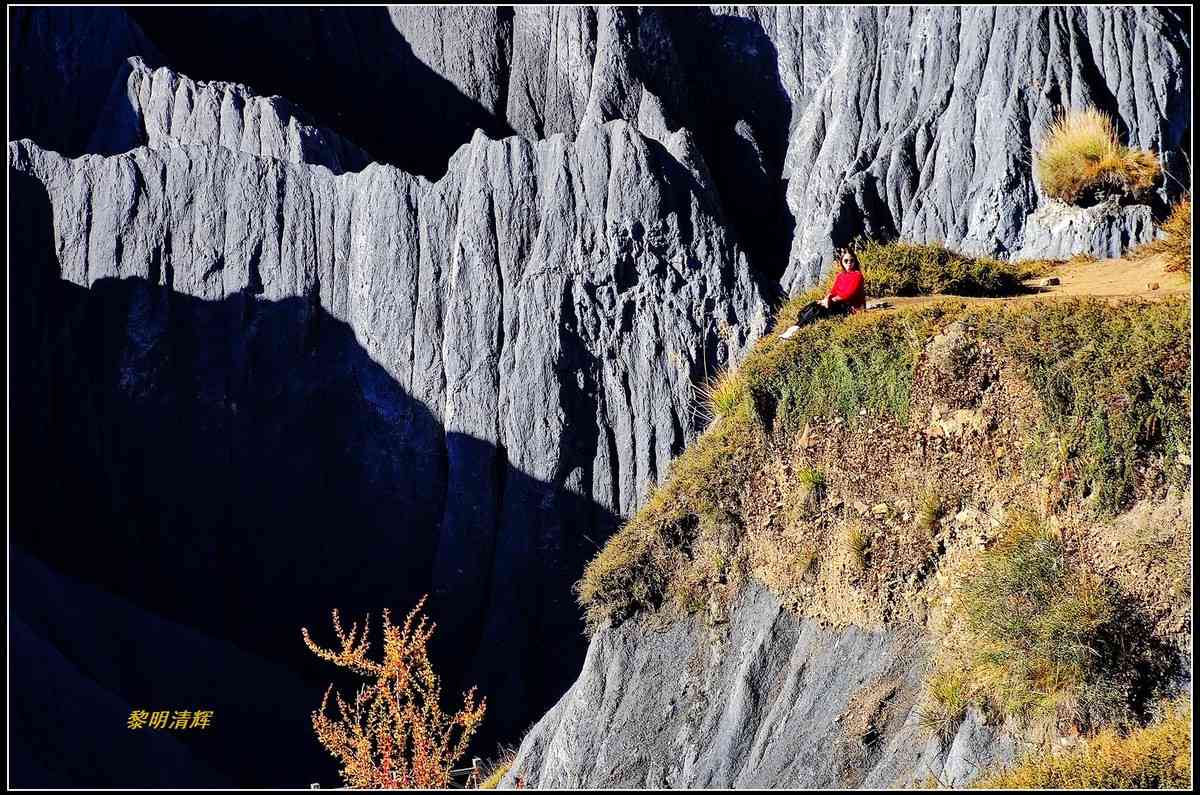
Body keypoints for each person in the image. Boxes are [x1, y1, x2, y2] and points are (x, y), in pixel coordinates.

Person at [779, 248, 867, 338]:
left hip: (850, 307)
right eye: (846, 260)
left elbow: (848, 294)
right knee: (811, 306)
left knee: (817, 309)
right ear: (842, 262)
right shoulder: (840, 275)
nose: (849, 263)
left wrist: (830, 300)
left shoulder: (857, 275)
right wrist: (825, 299)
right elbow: (833, 291)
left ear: (855, 261)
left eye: (852, 260)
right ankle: (796, 328)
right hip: (838, 303)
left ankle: (795, 330)